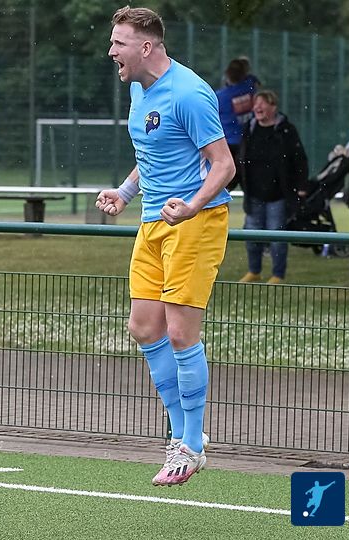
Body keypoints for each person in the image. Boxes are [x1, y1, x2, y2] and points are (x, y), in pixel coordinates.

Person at [97, 6, 235, 487]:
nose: (111, 51)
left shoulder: (190, 93)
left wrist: (193, 206)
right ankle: (182, 434)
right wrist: (124, 192)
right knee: (143, 326)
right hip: (153, 221)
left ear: (146, 46)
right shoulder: (138, 89)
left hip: (197, 222)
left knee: (180, 333)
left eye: (118, 43)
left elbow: (223, 166)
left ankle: (191, 444)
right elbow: (154, 154)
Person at [237, 90, 308, 284]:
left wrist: (302, 186)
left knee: (277, 236)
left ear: (273, 107)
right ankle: (254, 271)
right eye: (256, 104)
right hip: (253, 195)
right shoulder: (249, 128)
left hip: (278, 195)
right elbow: (240, 159)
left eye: (262, 104)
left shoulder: (287, 130)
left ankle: (278, 274)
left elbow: (300, 160)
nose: (257, 107)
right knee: (251, 235)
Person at [215, 57, 260, 191]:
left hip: (227, 144)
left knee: (222, 187)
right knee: (251, 184)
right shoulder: (250, 87)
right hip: (248, 142)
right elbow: (252, 79)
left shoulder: (221, 96)